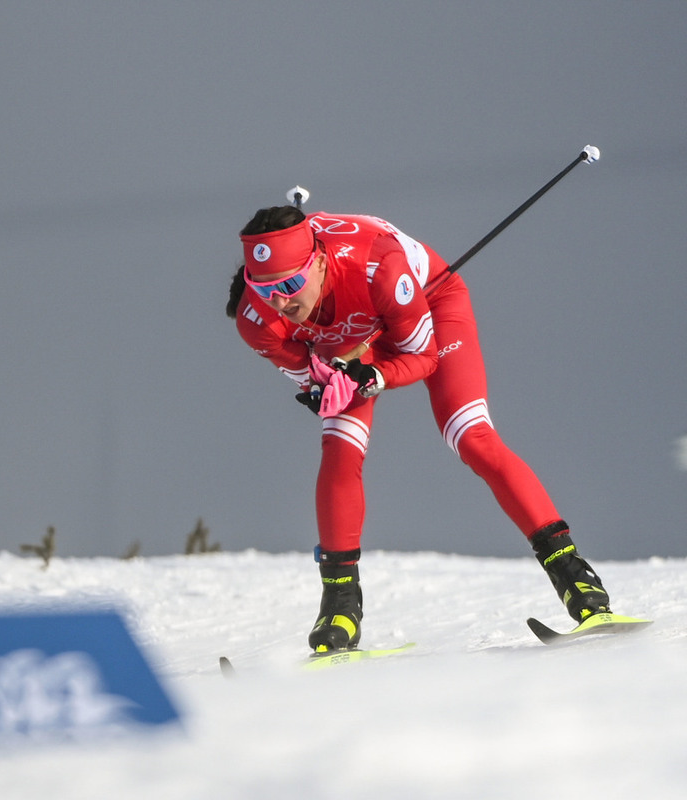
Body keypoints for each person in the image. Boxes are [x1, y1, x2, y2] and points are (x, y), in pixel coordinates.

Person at [225, 205, 611, 653]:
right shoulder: (257, 321)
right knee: (340, 450)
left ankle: (578, 583)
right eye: (266, 289)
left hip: (426, 306)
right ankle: (340, 609)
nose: (282, 302)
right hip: (353, 337)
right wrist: (322, 387)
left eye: (291, 285)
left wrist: (373, 377)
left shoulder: (380, 267)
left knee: (472, 438)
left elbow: (423, 358)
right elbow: (313, 375)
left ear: (320, 261)